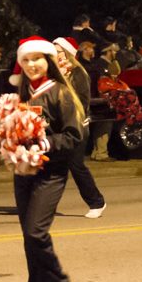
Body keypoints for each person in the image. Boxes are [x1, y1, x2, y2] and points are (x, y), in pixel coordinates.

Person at [11, 37, 84, 282]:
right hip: (23, 171)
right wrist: (7, 144)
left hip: (51, 172)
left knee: (35, 231)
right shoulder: (20, 93)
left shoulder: (60, 93)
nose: (31, 65)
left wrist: (45, 144)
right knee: (29, 237)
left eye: (37, 59)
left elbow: (74, 136)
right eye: (26, 60)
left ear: (49, 61)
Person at [54, 37, 106, 217]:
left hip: (77, 126)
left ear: (67, 53)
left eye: (58, 51)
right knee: (56, 167)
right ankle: (45, 204)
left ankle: (97, 202)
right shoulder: (56, 74)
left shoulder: (78, 73)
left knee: (76, 165)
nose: (55, 54)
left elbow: (83, 102)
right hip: (61, 128)